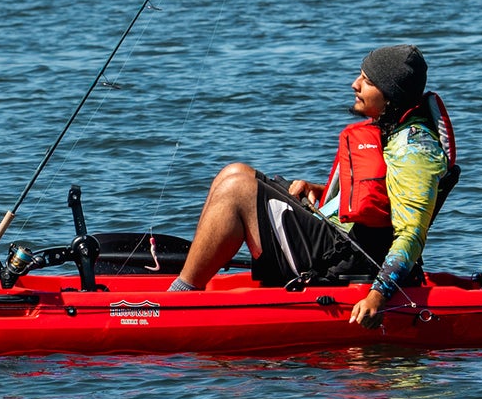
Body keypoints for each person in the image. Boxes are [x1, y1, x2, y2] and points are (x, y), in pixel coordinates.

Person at [171, 45, 454, 326]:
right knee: (236, 174)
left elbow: (411, 233)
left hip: (349, 261)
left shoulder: (414, 151)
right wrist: (322, 192)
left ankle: (175, 305)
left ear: (391, 95)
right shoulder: (392, 129)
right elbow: (381, 197)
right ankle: (187, 287)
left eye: (367, 81)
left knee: (237, 189)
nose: (354, 84)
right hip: (343, 243)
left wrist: (378, 294)